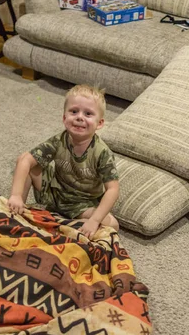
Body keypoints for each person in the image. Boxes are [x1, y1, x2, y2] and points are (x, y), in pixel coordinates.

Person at [8, 84, 120, 238]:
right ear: (64, 117)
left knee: (112, 224)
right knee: (26, 161)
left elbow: (113, 189)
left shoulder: (103, 152)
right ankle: (19, 212)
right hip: (53, 193)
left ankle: (67, 224)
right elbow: (25, 160)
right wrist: (16, 195)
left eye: (88, 113)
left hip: (83, 205)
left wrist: (94, 220)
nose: (80, 117)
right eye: (74, 111)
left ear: (99, 123)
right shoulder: (58, 140)